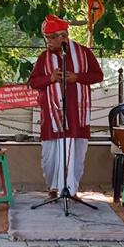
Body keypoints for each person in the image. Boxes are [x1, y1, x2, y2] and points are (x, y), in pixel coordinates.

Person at [28, 15, 104, 197]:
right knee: (50, 156)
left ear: (64, 36)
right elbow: (33, 82)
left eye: (52, 37)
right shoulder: (43, 58)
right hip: (52, 116)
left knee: (75, 153)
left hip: (77, 115)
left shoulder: (84, 53)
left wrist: (77, 78)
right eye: (47, 37)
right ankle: (53, 187)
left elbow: (97, 76)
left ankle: (71, 189)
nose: (48, 41)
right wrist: (50, 78)